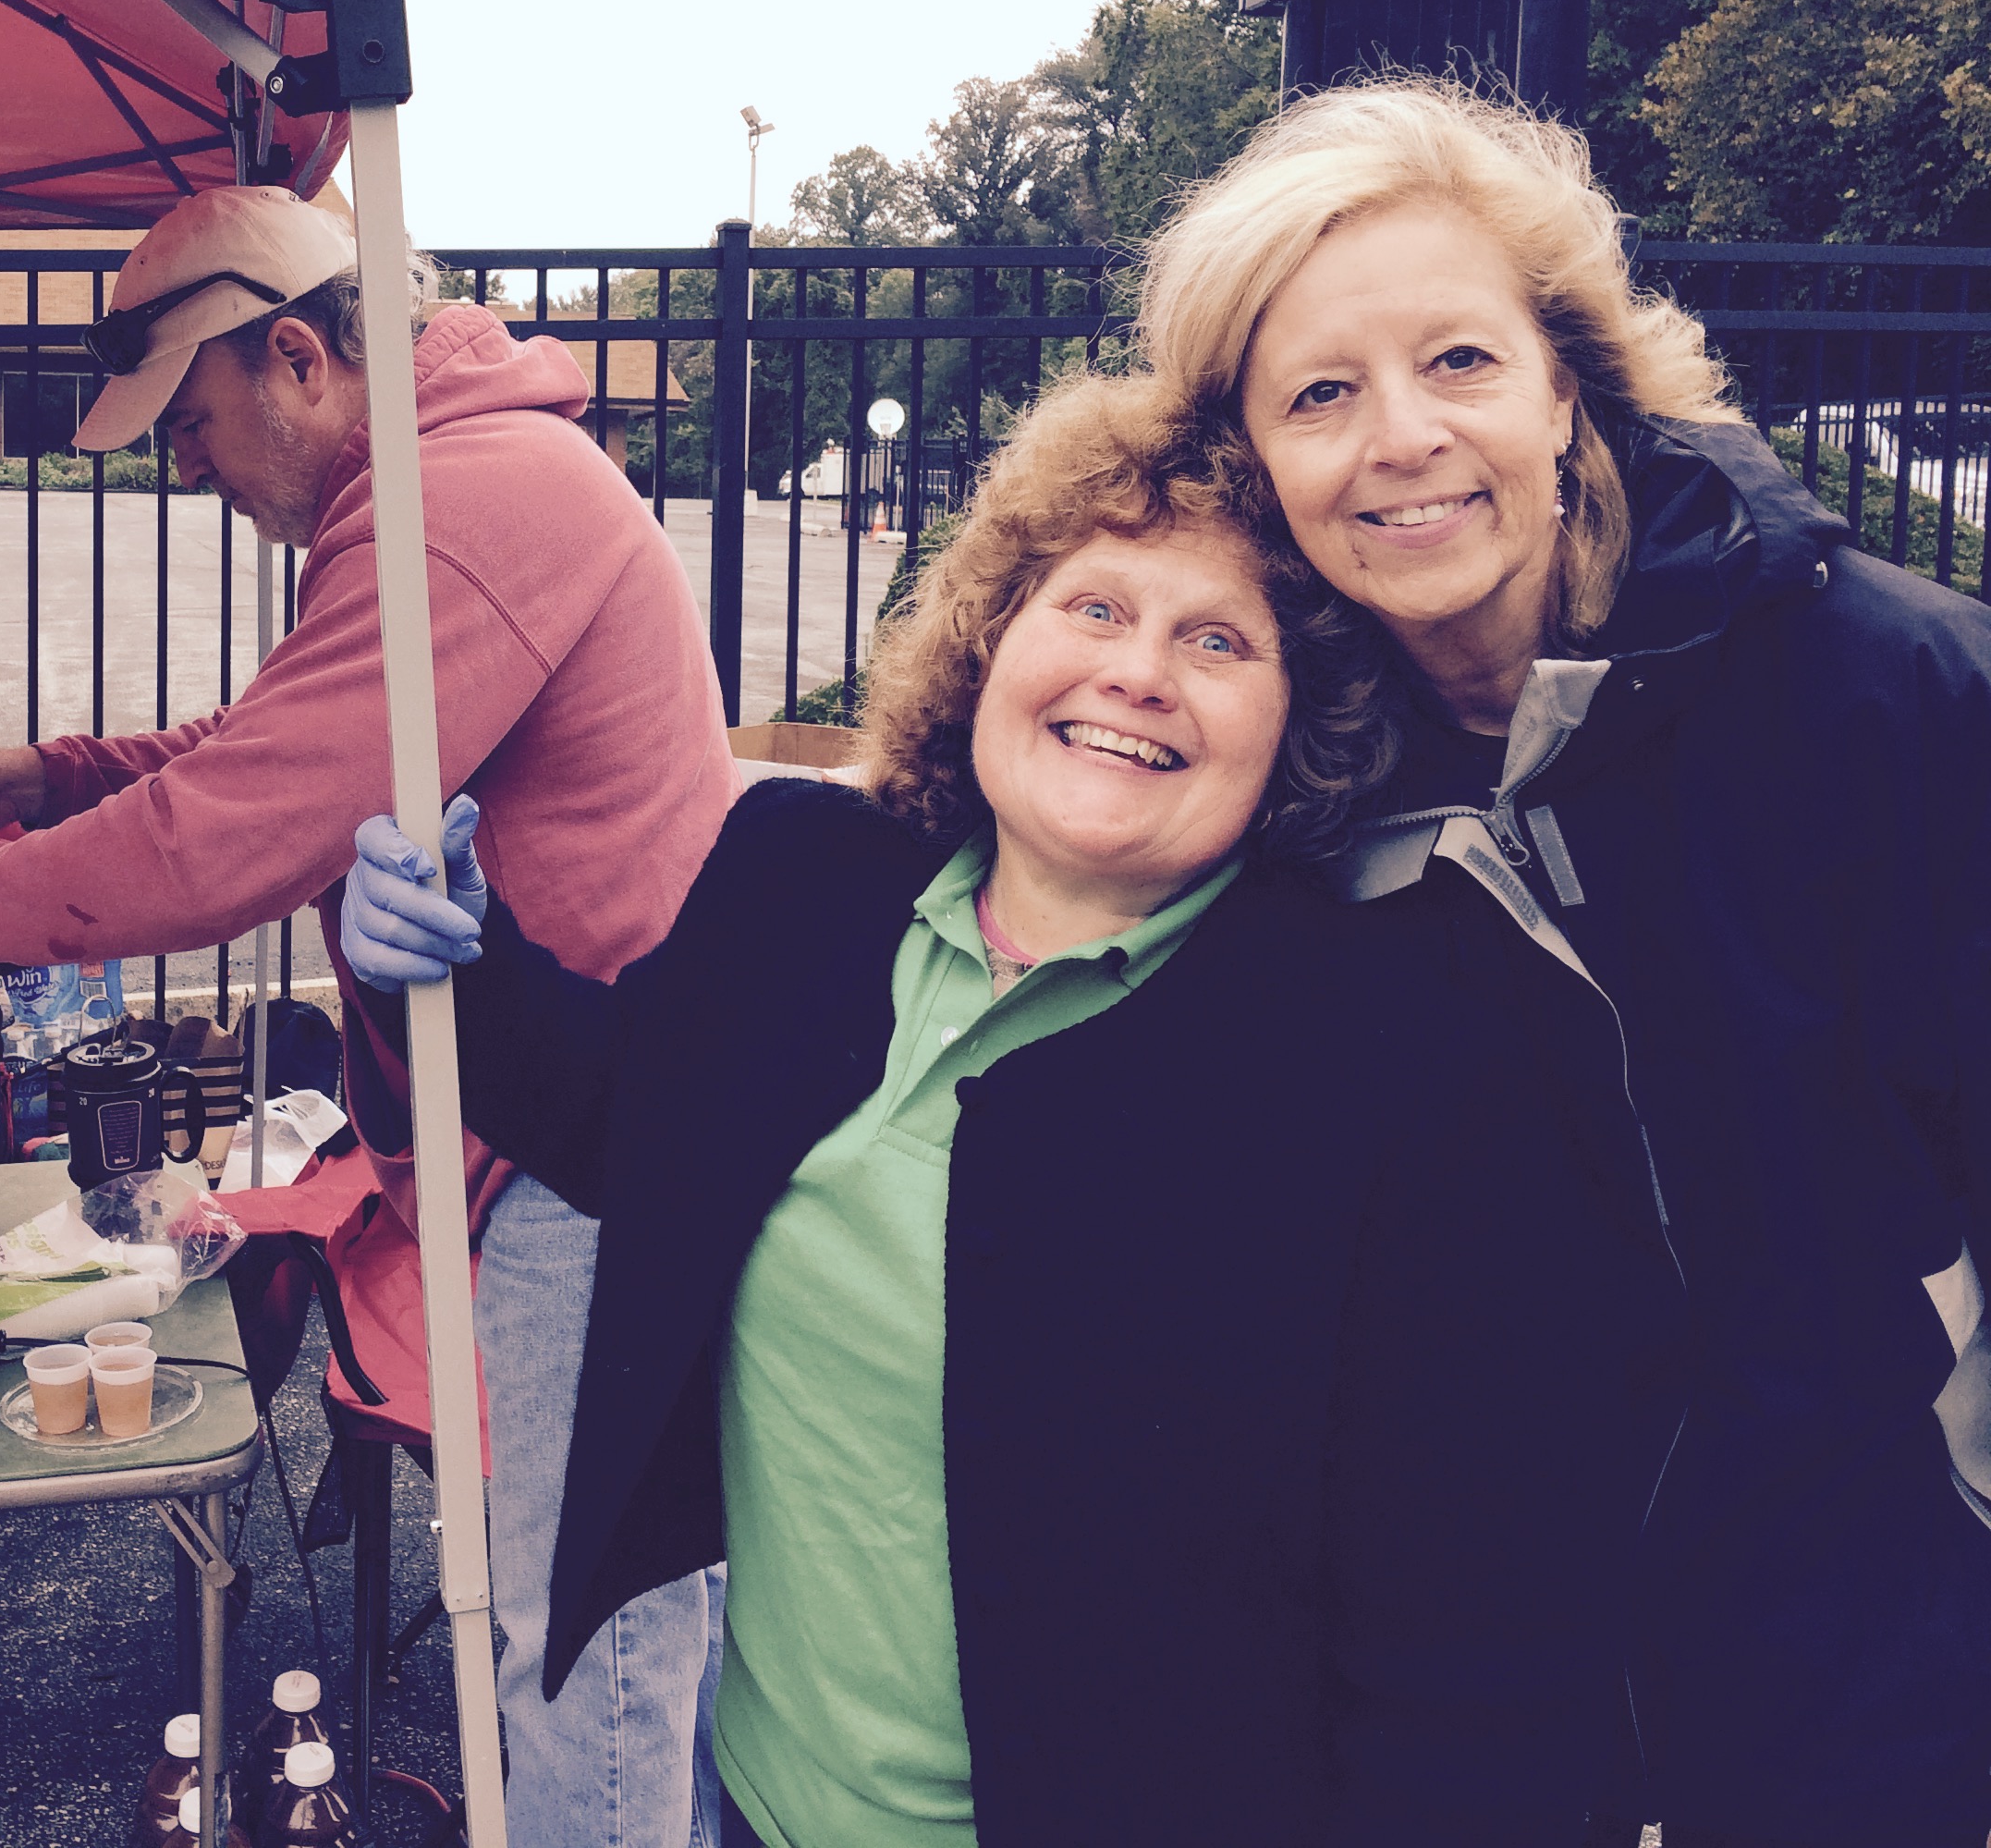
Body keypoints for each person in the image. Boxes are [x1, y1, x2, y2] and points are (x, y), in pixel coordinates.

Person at [339, 373, 1684, 1847]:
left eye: (1216, 640)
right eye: (1095, 609)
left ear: (1305, 719)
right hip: (761, 1808)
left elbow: (1470, 1616)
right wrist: (463, 962)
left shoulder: (1385, 1054)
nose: (1138, 672)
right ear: (993, 639)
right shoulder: (803, 876)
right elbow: (636, 1127)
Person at [0, 185, 738, 1846]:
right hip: (564, 1135)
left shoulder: (462, 501)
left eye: (187, 419)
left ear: (297, 358)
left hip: (589, 1164)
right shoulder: (446, 479)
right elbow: (264, 757)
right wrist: (34, 780)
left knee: (584, 1639)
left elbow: (229, 836)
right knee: (601, 1619)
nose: (181, 464)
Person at [1133, 74, 1991, 1845]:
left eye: (1453, 362)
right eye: (1316, 393)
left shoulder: (1881, 697)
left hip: (1857, 1683)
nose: (1396, 438)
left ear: (1561, 383)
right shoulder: (1276, 784)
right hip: (1468, 1723)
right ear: (1252, 463)